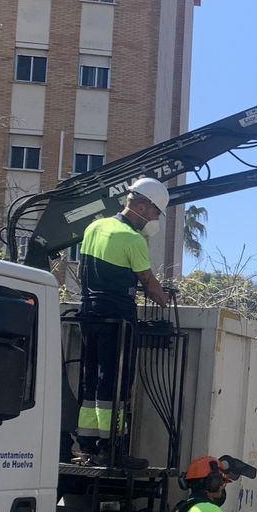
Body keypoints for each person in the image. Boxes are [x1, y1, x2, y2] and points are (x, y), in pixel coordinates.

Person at [74, 176, 174, 466]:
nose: (156, 219)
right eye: (156, 212)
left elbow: (83, 271)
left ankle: (87, 445)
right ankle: (112, 447)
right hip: (117, 317)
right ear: (143, 207)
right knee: (116, 379)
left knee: (90, 375)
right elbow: (149, 283)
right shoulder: (133, 239)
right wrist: (164, 301)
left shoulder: (95, 227)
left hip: (88, 313)